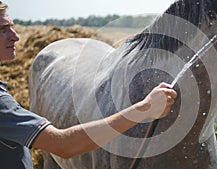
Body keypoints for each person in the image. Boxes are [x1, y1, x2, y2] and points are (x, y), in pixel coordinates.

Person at [0, 1, 177, 169]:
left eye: (12, 27)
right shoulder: (2, 104)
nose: (16, 37)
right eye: (3, 29)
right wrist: (145, 108)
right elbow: (63, 145)